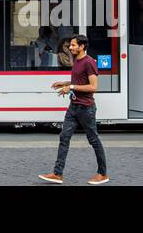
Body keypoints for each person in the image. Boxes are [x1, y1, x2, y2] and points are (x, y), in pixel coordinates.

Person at [38, 34, 109, 185]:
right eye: (70, 45)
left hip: (86, 108)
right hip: (73, 107)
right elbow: (79, 80)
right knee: (64, 137)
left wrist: (70, 87)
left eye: (73, 45)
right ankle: (57, 174)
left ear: (82, 46)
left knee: (93, 140)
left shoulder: (89, 62)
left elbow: (93, 87)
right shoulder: (77, 60)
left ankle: (103, 173)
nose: (70, 47)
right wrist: (64, 82)